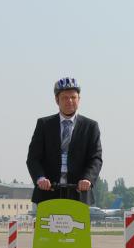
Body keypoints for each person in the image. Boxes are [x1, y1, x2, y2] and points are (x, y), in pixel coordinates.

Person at [27, 77, 103, 205]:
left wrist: (87, 179)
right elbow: (33, 158)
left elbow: (95, 158)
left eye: (73, 97)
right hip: (48, 192)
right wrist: (40, 178)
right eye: (65, 98)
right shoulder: (44, 125)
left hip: (78, 193)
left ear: (79, 99)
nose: (69, 101)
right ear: (57, 100)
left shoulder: (90, 126)